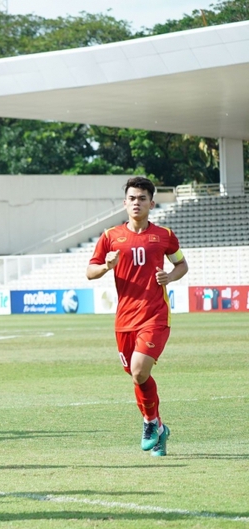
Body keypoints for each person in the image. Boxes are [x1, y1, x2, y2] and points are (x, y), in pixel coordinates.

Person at [87, 176, 187, 457]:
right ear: (125, 203)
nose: (136, 203)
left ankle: (149, 422)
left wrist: (170, 275)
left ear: (151, 203)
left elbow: (181, 264)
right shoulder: (110, 237)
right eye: (132, 198)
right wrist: (106, 266)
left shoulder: (164, 235)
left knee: (140, 369)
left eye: (142, 198)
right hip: (124, 319)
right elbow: (90, 272)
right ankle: (160, 430)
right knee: (136, 376)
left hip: (155, 314)